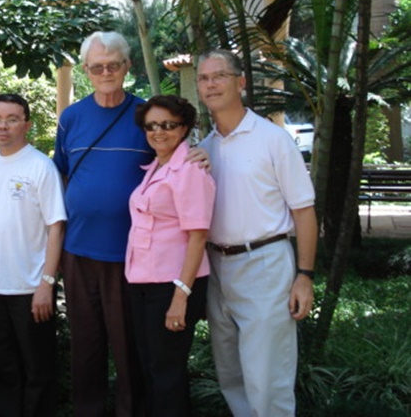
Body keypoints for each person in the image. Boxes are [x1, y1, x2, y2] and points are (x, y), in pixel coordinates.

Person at [53, 31, 209, 416]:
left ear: (127, 66)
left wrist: (199, 154)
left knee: (130, 351)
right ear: (86, 71)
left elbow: (172, 150)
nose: (105, 73)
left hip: (131, 257)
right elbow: (62, 174)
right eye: (97, 67)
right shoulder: (71, 118)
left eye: (113, 65)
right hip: (78, 250)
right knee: (85, 347)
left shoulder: (145, 116)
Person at [197, 49, 317, 417]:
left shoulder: (272, 139)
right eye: (204, 78)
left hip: (265, 263)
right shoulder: (204, 147)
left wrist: (305, 276)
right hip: (217, 267)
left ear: (241, 82)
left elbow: (304, 211)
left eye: (219, 75)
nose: (211, 84)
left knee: (267, 377)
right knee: (231, 374)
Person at [0, 94, 66, 416]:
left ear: (26, 125)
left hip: (31, 289)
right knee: (4, 369)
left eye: (12, 119)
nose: (3, 126)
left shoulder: (41, 166)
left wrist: (46, 283)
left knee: (37, 370)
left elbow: (56, 226)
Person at [126, 95, 215, 416]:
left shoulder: (190, 170)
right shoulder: (155, 167)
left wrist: (181, 295)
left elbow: (198, 235)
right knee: (151, 367)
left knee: (166, 372)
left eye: (168, 125)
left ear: (185, 127)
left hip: (173, 284)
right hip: (143, 281)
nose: (158, 132)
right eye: (151, 126)